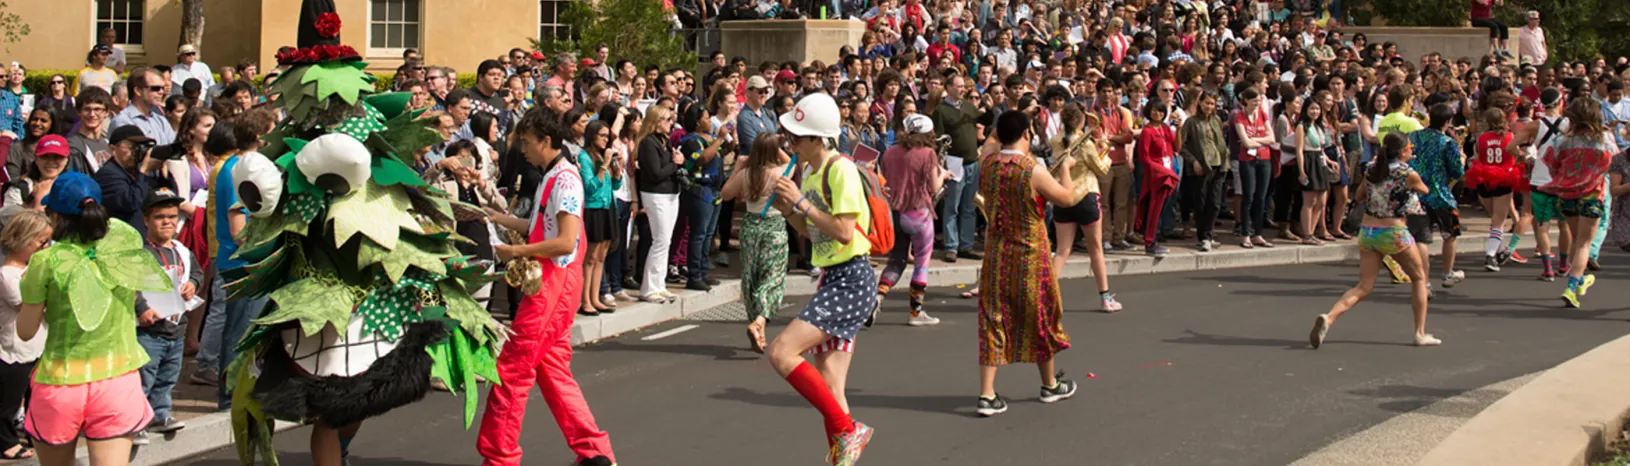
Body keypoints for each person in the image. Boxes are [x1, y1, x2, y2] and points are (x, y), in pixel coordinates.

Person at [478, 109, 617, 466]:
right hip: (556, 284)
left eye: (526, 142)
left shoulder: (565, 179)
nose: (522, 149)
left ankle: (500, 458)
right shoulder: (554, 174)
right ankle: (594, 452)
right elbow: (540, 223)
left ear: (546, 141)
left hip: (553, 285)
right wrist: (494, 217)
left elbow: (565, 241)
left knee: (511, 370)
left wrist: (515, 251)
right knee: (553, 372)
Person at [17, 171, 173, 466]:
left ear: (54, 216)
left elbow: (25, 331)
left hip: (60, 382)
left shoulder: (46, 262)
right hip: (116, 379)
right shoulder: (122, 249)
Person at [763, 93, 875, 465]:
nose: (790, 143)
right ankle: (842, 448)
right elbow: (813, 233)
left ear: (817, 139)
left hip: (852, 277)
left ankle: (847, 429)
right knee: (830, 386)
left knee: (781, 351)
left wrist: (800, 203)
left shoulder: (839, 168)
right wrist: (788, 211)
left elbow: (844, 232)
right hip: (834, 276)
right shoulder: (810, 172)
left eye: (797, 136)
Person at [976, 109, 1081, 417]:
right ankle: (1049, 386)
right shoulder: (1030, 167)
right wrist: (1066, 169)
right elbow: (1065, 198)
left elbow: (989, 146)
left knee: (992, 318)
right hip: (1030, 255)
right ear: (1025, 135)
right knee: (1041, 316)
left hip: (997, 253)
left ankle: (987, 393)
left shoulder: (988, 164)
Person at [1309, 132, 1438, 348]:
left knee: (1364, 286)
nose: (1411, 152)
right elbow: (1425, 191)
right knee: (1418, 278)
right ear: (1403, 151)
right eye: (1409, 149)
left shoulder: (1371, 168)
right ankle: (1420, 332)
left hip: (1368, 231)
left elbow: (1359, 195)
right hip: (1394, 230)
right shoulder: (1407, 172)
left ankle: (1330, 317)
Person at [134, 187, 201, 444]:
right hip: (149, 329)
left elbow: (195, 273)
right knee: (144, 376)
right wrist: (141, 309)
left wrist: (193, 285)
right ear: (147, 220)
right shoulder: (139, 253)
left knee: (168, 375)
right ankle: (136, 420)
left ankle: (159, 414)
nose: (167, 222)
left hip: (176, 326)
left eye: (172, 217)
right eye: (160, 217)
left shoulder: (181, 251)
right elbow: (131, 287)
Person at [719, 133, 790, 353]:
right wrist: (776, 144)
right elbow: (790, 161)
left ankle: (758, 327)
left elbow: (725, 194)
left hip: (750, 226)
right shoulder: (780, 173)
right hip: (774, 226)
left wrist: (738, 168)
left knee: (751, 275)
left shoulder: (746, 174)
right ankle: (760, 319)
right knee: (773, 276)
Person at [1541, 99, 1616, 308]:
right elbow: (1614, 161)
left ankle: (1580, 279)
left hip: (1568, 193)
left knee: (1576, 240)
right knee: (1584, 244)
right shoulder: (1605, 139)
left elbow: (1551, 163)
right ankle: (1571, 288)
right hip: (1592, 194)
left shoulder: (1562, 141)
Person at [1048, 102, 1122, 312]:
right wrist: (1105, 150)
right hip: (1086, 196)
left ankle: (1045, 296)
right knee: (1096, 249)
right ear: (1080, 121)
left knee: (1062, 250)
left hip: (1063, 195)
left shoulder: (1056, 140)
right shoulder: (1085, 144)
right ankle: (1105, 298)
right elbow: (1100, 169)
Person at [874, 113, 945, 326]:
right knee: (922, 261)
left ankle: (877, 298)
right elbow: (934, 187)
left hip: (895, 213)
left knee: (896, 261)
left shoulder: (890, 152)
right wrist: (945, 175)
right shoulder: (928, 153)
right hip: (918, 213)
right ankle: (915, 313)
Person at [0, 210, 48, 460]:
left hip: (40, 345)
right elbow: (29, 304)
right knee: (9, 400)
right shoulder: (7, 275)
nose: (45, 247)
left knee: (37, 397)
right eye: (41, 242)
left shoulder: (33, 269)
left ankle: (36, 433)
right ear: (22, 239)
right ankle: (5, 441)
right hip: (14, 349)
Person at [1407, 103, 1466, 290]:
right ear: (1449, 121)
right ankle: (1447, 273)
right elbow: (1457, 172)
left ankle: (1424, 282)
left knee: (1422, 239)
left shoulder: (1414, 136)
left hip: (1417, 194)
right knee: (1450, 234)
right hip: (1441, 194)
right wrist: (1462, 160)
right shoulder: (1448, 143)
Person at [1466, 108, 1526, 271]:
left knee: (1494, 218)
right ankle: (1490, 256)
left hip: (1484, 178)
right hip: (1503, 178)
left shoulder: (1481, 138)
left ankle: (1499, 251)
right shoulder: (1509, 137)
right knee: (1499, 221)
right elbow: (1516, 154)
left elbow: (1476, 159)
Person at [636, 104, 683, 303]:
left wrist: (676, 161)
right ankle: (649, 288)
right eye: (667, 120)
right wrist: (675, 164)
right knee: (660, 240)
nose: (670, 124)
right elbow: (655, 173)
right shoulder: (648, 143)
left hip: (671, 193)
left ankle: (659, 284)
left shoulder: (665, 141)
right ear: (656, 121)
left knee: (666, 241)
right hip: (656, 194)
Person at [578, 119, 622, 312]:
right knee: (590, 256)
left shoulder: (604, 155)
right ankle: (585, 300)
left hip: (608, 206)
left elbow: (614, 186)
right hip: (593, 208)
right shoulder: (585, 157)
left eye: (608, 136)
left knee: (601, 256)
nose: (606, 140)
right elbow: (590, 187)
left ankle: (595, 297)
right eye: (602, 136)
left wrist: (618, 173)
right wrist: (604, 165)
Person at [1182, 92, 1230, 251]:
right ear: (1200, 103)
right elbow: (1182, 146)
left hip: (1218, 165)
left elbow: (1221, 143)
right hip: (1201, 167)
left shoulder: (1216, 120)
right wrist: (1194, 161)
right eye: (1206, 103)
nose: (1209, 107)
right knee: (1201, 202)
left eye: (1212, 104)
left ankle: (1208, 235)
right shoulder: (1191, 122)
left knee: (1215, 202)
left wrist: (1225, 160)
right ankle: (1203, 236)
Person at [1135, 99, 1178, 257]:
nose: (1157, 114)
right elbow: (1145, 158)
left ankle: (1155, 239)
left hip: (1167, 172)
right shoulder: (1147, 131)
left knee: (1161, 209)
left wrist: (1178, 128)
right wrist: (1163, 171)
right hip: (1157, 175)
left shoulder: (1164, 128)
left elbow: (1176, 147)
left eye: (1160, 111)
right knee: (1154, 209)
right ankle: (1149, 242)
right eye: (1154, 110)